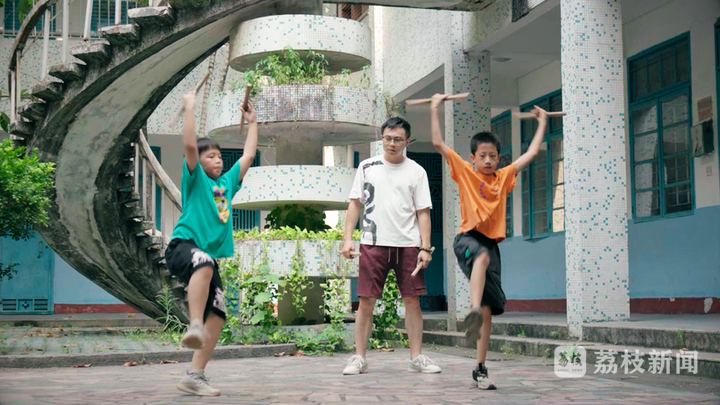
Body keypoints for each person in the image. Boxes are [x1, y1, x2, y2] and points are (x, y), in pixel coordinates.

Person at [429, 93, 548, 389]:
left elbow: (532, 153)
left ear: (498, 158)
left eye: (492, 156)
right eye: (482, 155)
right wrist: (434, 108)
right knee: (480, 258)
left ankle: (480, 367)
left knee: (488, 312)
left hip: (491, 245)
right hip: (467, 239)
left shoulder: (503, 177)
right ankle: (471, 308)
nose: (487, 160)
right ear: (472, 158)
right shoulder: (465, 173)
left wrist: (543, 122)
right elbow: (438, 143)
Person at [164, 90, 258, 396]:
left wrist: (252, 122)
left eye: (218, 156)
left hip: (205, 259)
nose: (217, 159)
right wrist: (190, 108)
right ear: (199, 162)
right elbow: (190, 146)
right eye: (210, 156)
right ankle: (194, 324)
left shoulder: (226, 185)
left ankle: (195, 375)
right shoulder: (195, 180)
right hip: (183, 247)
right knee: (204, 262)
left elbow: (248, 156)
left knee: (217, 312)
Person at [340, 116, 441, 375]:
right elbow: (354, 203)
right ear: (381, 138)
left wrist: (425, 247)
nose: (392, 144)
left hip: (408, 245)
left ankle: (416, 357)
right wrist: (347, 238)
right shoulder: (367, 167)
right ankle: (359, 358)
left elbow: (423, 212)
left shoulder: (417, 171)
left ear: (407, 141)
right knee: (365, 301)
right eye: (387, 138)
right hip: (372, 244)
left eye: (397, 139)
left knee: (412, 301)